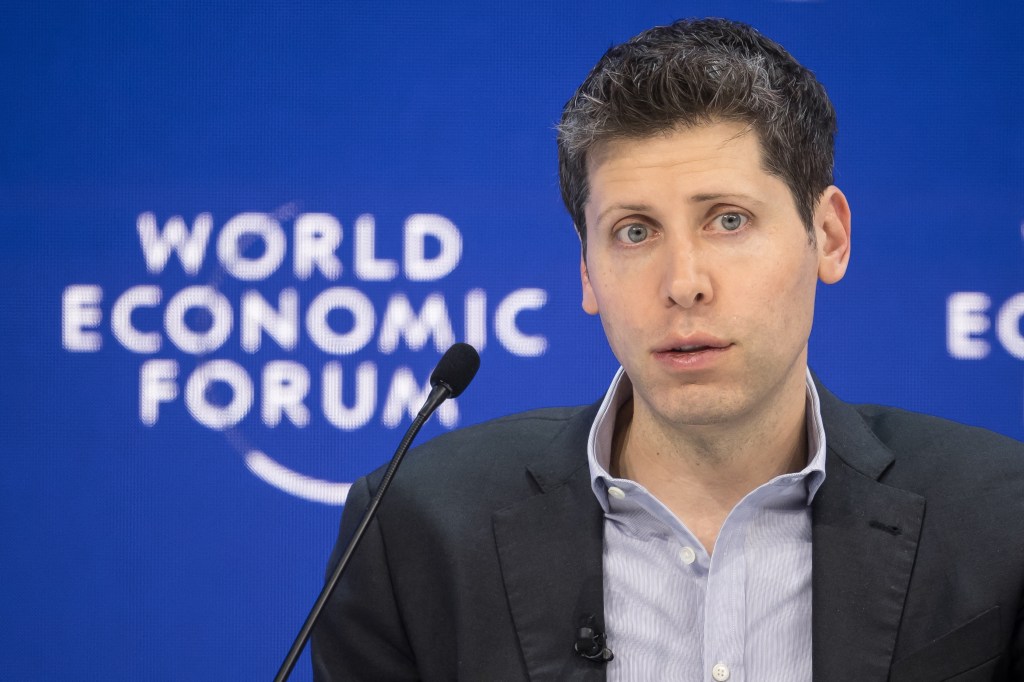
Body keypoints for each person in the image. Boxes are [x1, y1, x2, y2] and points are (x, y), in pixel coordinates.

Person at [312, 18, 1024, 681]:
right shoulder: (414, 528)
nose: (683, 284)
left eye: (729, 220)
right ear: (587, 270)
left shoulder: (997, 518)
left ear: (829, 236)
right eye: (634, 232)